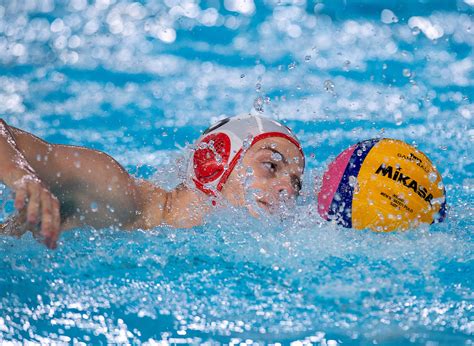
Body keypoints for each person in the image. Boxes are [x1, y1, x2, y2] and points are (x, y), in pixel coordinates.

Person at [0, 114, 305, 249]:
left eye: (296, 183)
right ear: (213, 161)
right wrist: (22, 175)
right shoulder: (116, 193)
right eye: (270, 165)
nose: (287, 189)